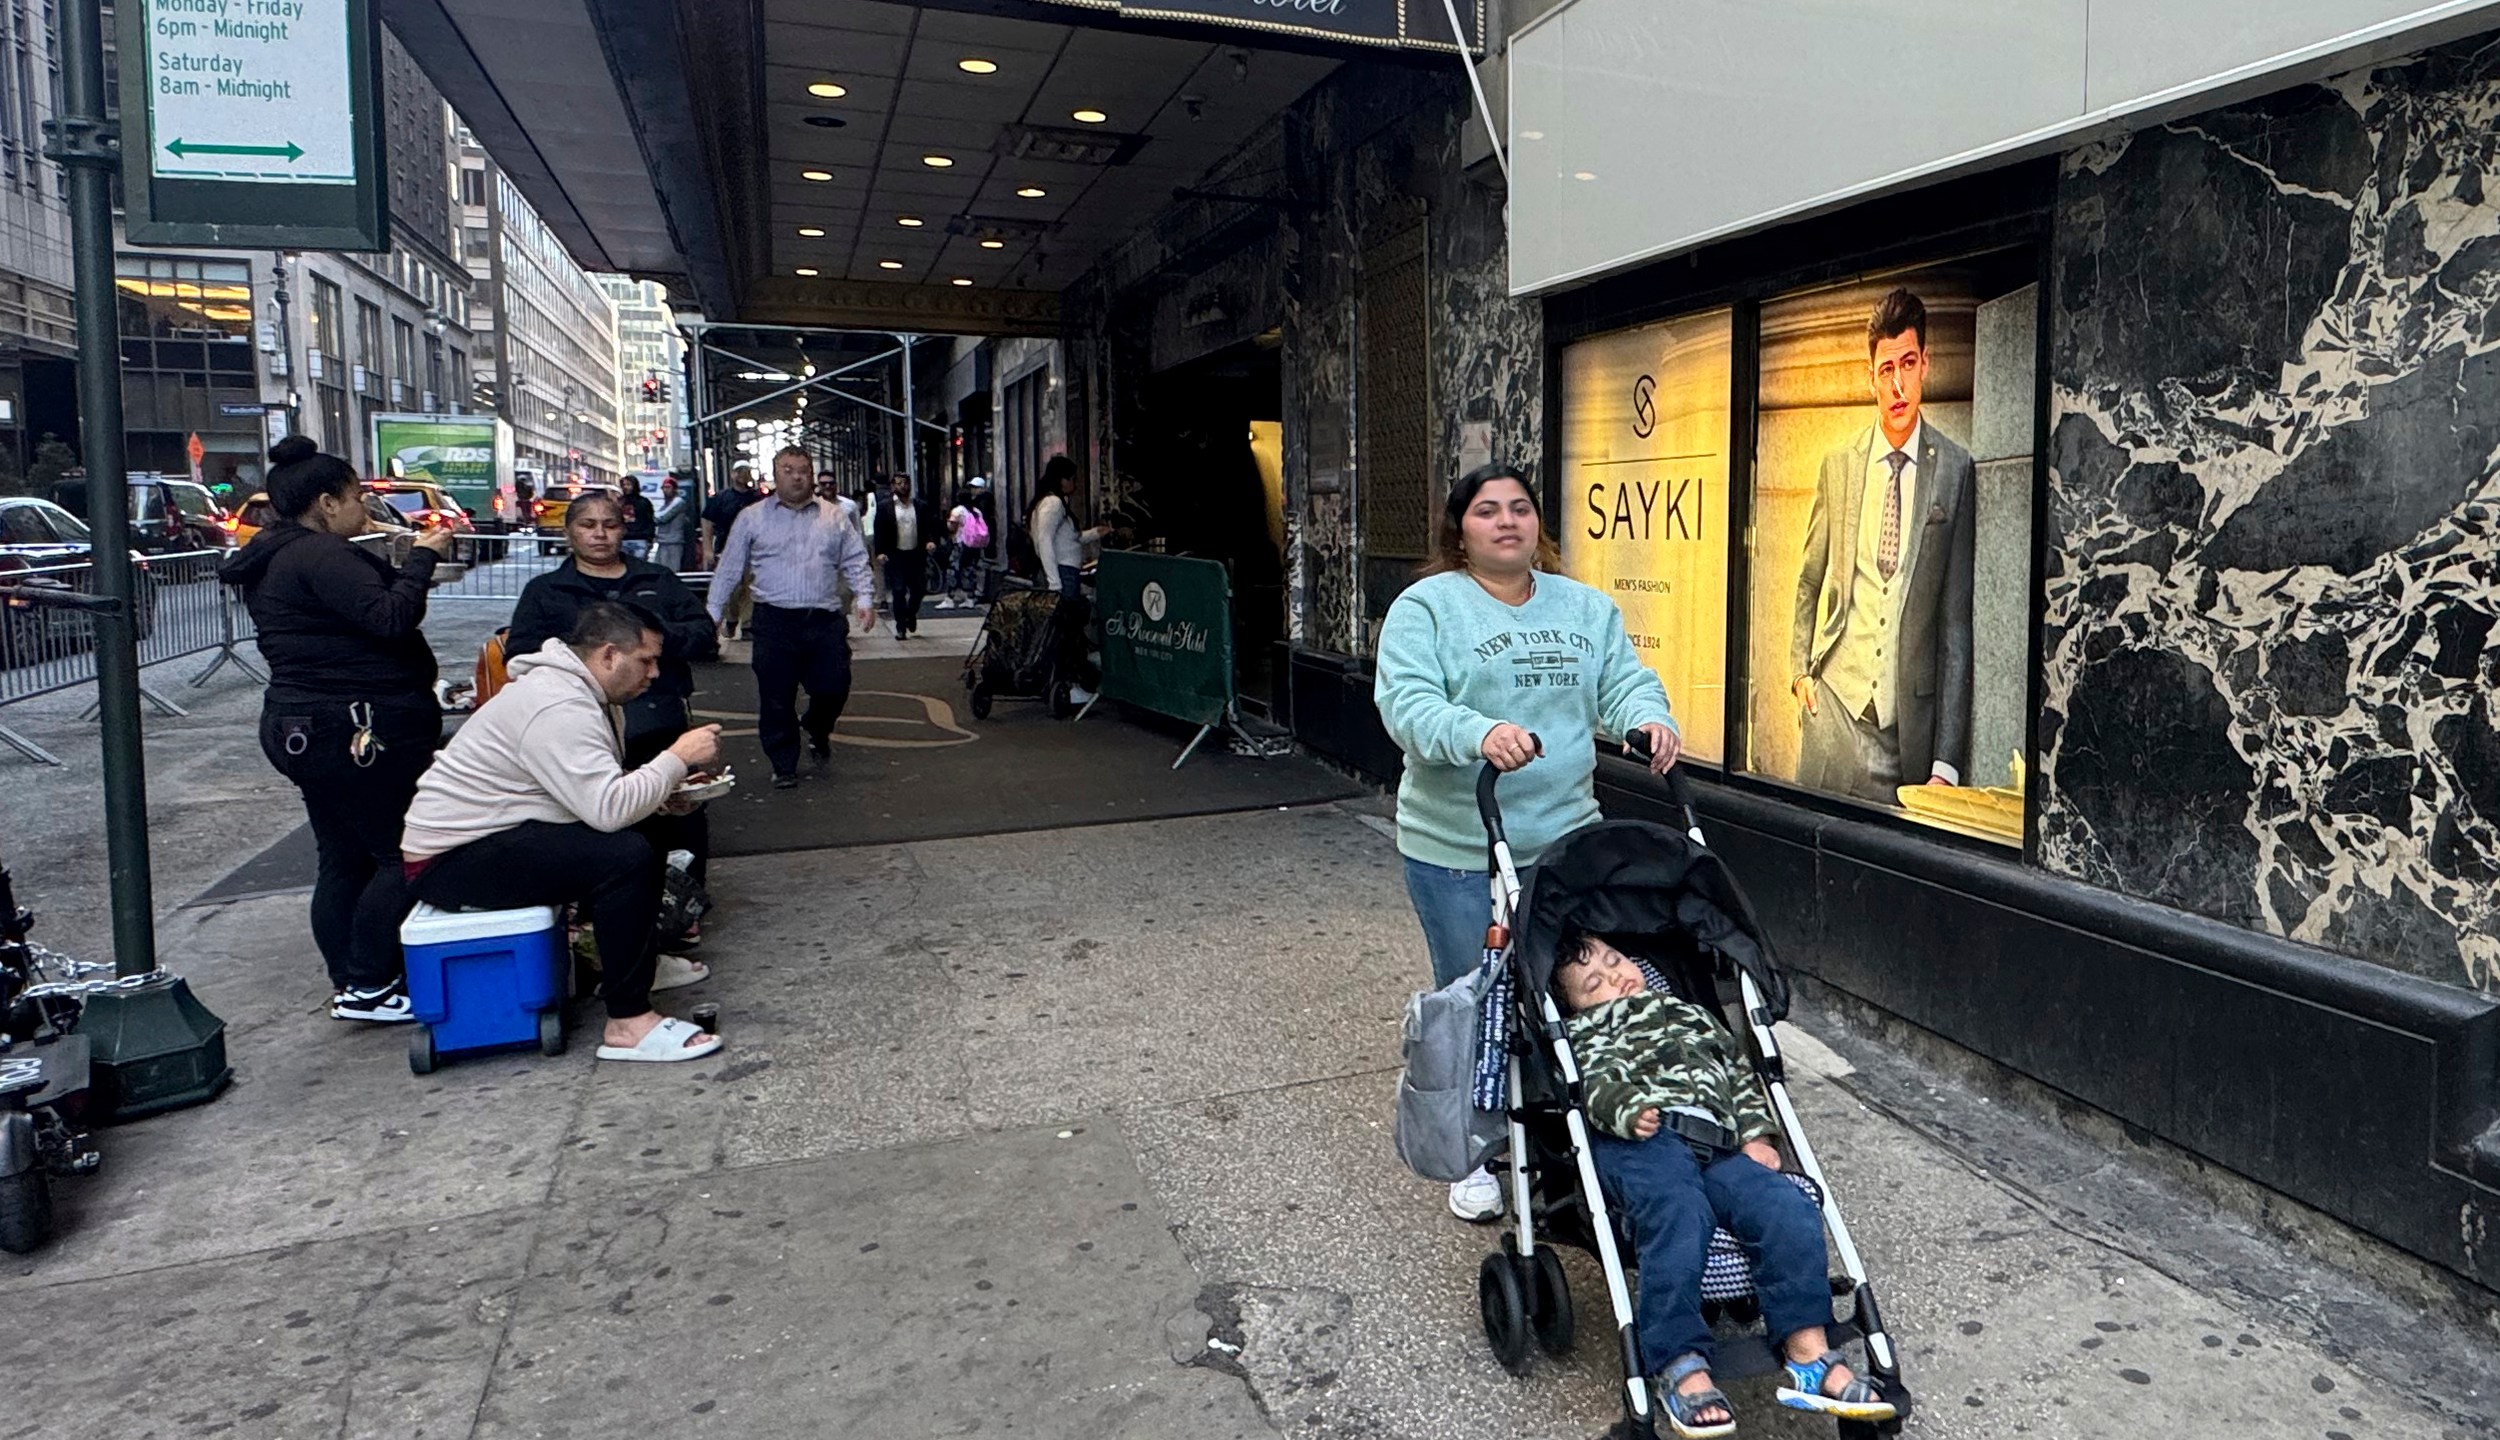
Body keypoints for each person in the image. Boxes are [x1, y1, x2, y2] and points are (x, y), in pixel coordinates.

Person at [1374, 461, 1681, 1221]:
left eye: (1519, 508)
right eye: (1486, 511)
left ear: (1539, 525)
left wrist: (1649, 718)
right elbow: (1406, 704)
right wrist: (1480, 734)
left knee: (1571, 986)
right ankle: (1473, 1153)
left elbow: (1622, 682)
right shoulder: (1428, 608)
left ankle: (1572, 1125)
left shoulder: (1586, 608)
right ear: (1461, 531)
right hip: (1457, 843)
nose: (1506, 521)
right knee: (1473, 997)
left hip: (1565, 838)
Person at [1556, 930, 1896, 1434]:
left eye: (1616, 960)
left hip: (1719, 1142)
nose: (1614, 977)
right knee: (1677, 1211)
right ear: (1577, 1007)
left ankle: (1809, 1353)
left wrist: (1758, 1134)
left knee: (1787, 1207)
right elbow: (1597, 1083)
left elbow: (1738, 1076)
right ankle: (1679, 1362)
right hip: (1641, 1142)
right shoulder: (1589, 1032)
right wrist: (1627, 1109)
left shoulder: (1694, 1017)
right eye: (1594, 983)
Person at [401, 603, 723, 1062]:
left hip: (498, 833)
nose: (655, 673)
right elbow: (608, 811)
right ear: (609, 655)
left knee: (647, 825)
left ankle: (635, 967)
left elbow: (594, 791)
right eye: (647, 660)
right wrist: (677, 758)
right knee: (623, 856)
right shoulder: (558, 704)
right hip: (450, 858)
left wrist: (661, 792)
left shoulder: (583, 693)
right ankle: (628, 1023)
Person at [219, 435, 457, 1023]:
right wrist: (422, 557)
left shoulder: (279, 554)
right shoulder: (318, 556)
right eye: (356, 498)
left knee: (344, 857)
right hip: (352, 730)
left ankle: (354, 980)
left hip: (308, 726)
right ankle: (370, 982)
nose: (365, 509)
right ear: (326, 503)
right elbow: (391, 617)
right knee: (402, 853)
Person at [1789, 286, 1976, 804]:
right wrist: (1800, 673)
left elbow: (1956, 626)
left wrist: (1947, 761)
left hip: (1907, 737)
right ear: (1869, 374)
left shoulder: (1955, 471)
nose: (1898, 384)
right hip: (1833, 715)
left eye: (1908, 364)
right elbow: (1809, 577)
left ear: (1926, 365)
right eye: (1886, 369)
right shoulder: (1840, 466)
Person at [506, 490, 721, 899]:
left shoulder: (655, 580)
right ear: (569, 532)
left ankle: (686, 903)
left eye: (610, 525)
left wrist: (651, 638)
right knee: (607, 820)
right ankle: (614, 908)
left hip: (659, 718)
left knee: (681, 811)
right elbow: (521, 655)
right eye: (588, 525)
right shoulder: (546, 590)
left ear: (624, 529)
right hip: (581, 727)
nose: (600, 535)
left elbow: (702, 635)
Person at [706, 445, 877, 789]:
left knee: (834, 686)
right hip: (774, 622)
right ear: (775, 474)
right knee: (776, 695)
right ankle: (783, 763)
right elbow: (730, 568)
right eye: (788, 469)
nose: (797, 476)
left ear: (812, 475)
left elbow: (855, 559)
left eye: (803, 470)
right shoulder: (752, 518)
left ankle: (817, 725)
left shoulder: (834, 516)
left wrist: (865, 597)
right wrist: (712, 612)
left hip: (824, 619)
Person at [871, 472, 941, 639]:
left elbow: (928, 527)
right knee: (898, 590)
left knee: (919, 589)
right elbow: (879, 530)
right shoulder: (885, 507)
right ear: (893, 486)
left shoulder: (919, 506)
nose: (903, 486)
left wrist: (930, 541)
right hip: (896, 555)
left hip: (916, 554)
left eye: (906, 483)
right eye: (899, 483)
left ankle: (911, 613)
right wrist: (880, 552)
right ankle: (900, 626)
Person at [1027, 456, 1104, 600]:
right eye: (1072, 479)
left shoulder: (1052, 503)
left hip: (1064, 571)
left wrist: (1095, 533)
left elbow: (1067, 538)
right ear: (1062, 480)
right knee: (1064, 617)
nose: (1074, 484)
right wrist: (1055, 583)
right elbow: (1045, 541)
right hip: (1062, 571)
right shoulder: (1053, 504)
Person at [700, 464, 764, 632]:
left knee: (751, 587)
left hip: (753, 549)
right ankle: (732, 617)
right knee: (732, 588)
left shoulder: (756, 498)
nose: (743, 475)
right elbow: (707, 521)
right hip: (726, 548)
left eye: (746, 472)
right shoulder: (721, 498)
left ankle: (748, 623)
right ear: (733, 474)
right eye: (740, 472)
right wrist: (708, 549)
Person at [653, 476, 693, 572]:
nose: (665, 490)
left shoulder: (678, 502)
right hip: (664, 541)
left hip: (674, 541)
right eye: (664, 488)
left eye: (668, 487)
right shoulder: (665, 504)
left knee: (672, 570)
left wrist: (651, 516)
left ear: (674, 489)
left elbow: (662, 518)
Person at [622, 484, 658, 560]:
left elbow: (650, 520)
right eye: (623, 484)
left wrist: (650, 537)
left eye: (628, 484)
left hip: (639, 538)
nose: (625, 487)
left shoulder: (643, 502)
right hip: (625, 539)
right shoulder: (618, 502)